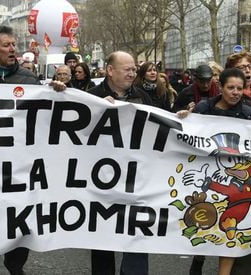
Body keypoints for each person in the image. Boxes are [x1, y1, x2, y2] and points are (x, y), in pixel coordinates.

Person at [0, 25, 64, 275]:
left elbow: (44, 121)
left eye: (14, 44)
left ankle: (15, 266)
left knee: (18, 238)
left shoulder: (29, 79)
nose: (13, 49)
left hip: (19, 174)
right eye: (6, 45)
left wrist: (58, 96)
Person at [177, 68, 251, 275]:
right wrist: (185, 117)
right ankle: (198, 260)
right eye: (230, 87)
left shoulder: (249, 113)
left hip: (239, 186)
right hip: (210, 174)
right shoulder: (204, 108)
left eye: (239, 88)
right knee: (204, 223)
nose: (235, 92)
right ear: (221, 87)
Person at [87, 51, 152, 275]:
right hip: (102, 180)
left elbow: (160, 128)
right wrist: (95, 110)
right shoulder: (91, 96)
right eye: (127, 69)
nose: (133, 73)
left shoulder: (143, 97)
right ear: (110, 70)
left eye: (134, 69)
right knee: (103, 237)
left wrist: (183, 117)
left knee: (136, 234)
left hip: (135, 179)